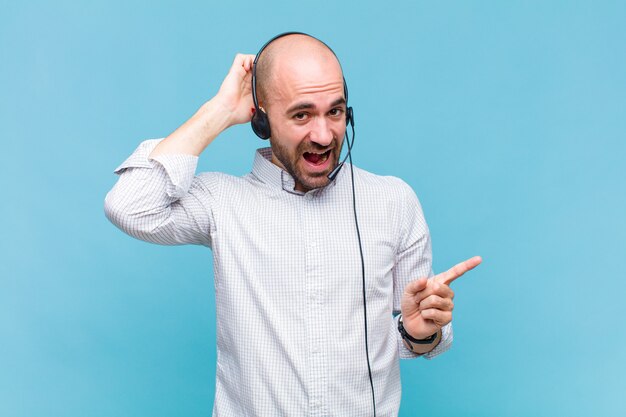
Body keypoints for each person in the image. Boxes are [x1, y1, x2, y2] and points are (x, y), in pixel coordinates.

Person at [104, 32, 481, 417]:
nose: (323, 135)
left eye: (335, 111)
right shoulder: (221, 201)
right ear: (262, 120)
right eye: (302, 115)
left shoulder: (393, 201)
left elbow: (422, 335)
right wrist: (218, 111)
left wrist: (421, 332)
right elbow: (131, 206)